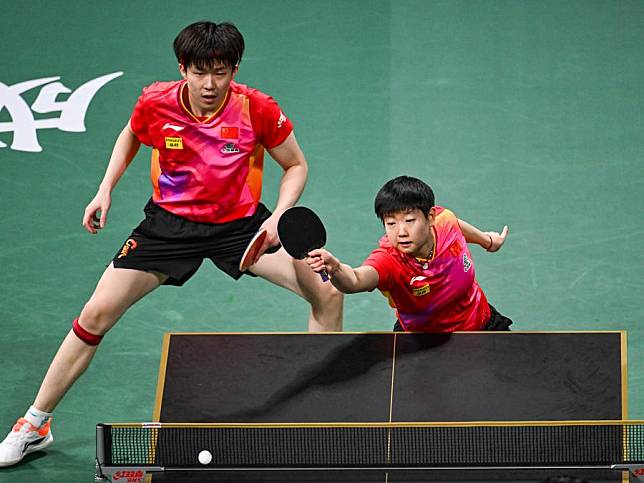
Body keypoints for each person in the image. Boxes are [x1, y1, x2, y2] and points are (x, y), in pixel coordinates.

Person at [0, 20, 342, 467]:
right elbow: (131, 135)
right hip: (168, 227)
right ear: (183, 68)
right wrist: (105, 188)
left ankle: (321, 418)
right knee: (95, 314)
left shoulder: (256, 108)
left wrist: (277, 217)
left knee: (328, 293)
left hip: (240, 226)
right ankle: (34, 424)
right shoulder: (156, 102)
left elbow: (295, 164)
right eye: (199, 72)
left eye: (220, 72)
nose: (209, 84)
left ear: (234, 69)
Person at [306, 175, 511, 332]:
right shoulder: (389, 260)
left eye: (409, 221)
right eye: (391, 223)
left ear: (430, 216)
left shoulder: (444, 220)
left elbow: (455, 225)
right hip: (423, 345)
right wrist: (336, 268)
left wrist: (487, 241)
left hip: (482, 326)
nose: (401, 232)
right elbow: (356, 279)